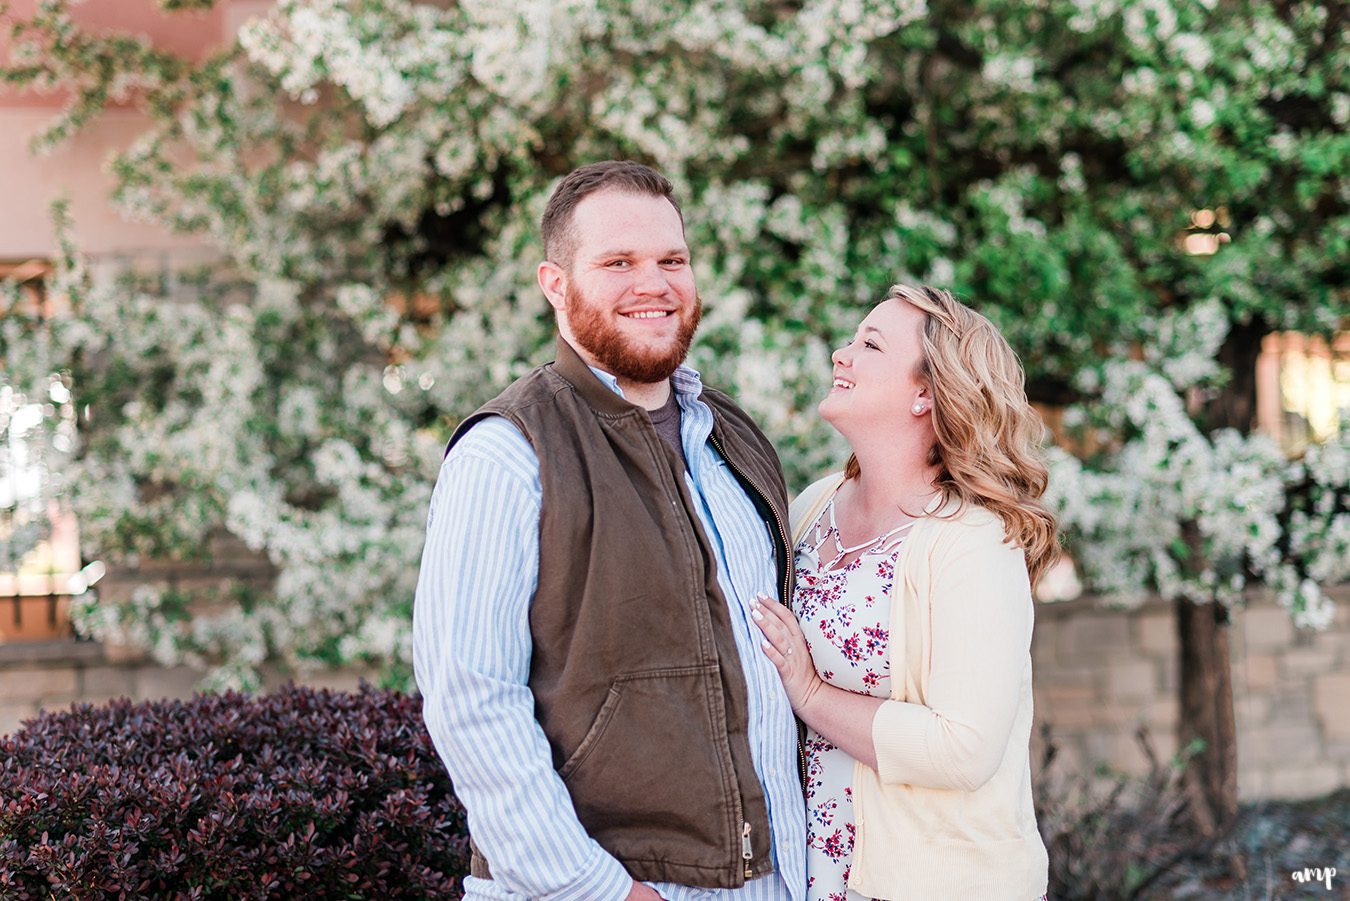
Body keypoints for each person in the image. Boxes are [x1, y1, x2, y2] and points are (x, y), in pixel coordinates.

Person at [412, 160, 807, 901]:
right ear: (555, 284)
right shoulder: (509, 451)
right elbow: (471, 695)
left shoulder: (734, 438)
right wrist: (597, 890)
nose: (653, 284)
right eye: (618, 262)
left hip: (766, 881)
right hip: (609, 886)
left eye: (672, 260)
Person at [751, 284, 1055, 900]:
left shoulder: (973, 543)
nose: (841, 354)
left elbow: (963, 749)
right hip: (814, 879)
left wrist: (810, 692)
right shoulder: (813, 507)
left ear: (925, 392)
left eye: (869, 344)